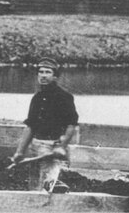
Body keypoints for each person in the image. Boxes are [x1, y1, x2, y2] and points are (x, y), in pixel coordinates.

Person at [8, 58, 80, 193]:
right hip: (36, 147)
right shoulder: (37, 98)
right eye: (41, 72)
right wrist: (20, 151)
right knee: (34, 186)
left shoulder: (64, 97)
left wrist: (62, 146)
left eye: (48, 72)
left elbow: (71, 124)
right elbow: (30, 126)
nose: (43, 75)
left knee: (51, 187)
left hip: (53, 148)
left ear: (55, 76)